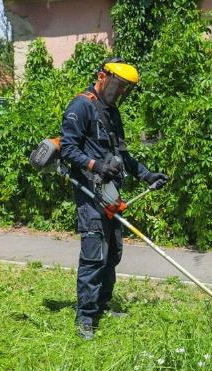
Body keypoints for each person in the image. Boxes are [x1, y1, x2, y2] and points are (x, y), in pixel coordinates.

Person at [58, 58, 168, 340]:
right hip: (89, 192)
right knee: (94, 256)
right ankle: (86, 317)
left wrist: (147, 175)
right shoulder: (80, 106)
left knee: (113, 253)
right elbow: (69, 150)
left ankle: (102, 305)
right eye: (118, 86)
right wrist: (95, 165)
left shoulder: (112, 113)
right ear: (102, 77)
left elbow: (123, 155)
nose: (120, 93)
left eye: (125, 89)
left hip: (111, 193)